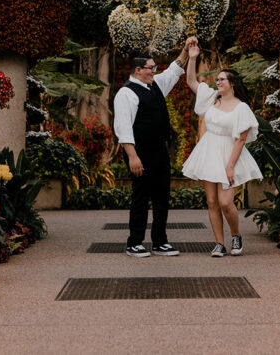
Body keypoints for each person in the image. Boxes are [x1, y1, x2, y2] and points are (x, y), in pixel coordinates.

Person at [113, 37, 197, 258]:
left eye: (154, 68)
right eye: (151, 68)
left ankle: (160, 241)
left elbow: (174, 70)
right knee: (141, 196)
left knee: (162, 196)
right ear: (138, 70)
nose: (154, 71)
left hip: (159, 151)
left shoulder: (155, 84)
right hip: (139, 153)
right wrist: (133, 157)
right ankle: (134, 242)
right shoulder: (126, 93)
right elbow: (123, 128)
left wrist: (186, 49)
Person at [180, 42, 263, 257]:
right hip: (209, 151)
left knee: (226, 202)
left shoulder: (241, 107)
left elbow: (240, 140)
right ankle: (219, 243)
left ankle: (236, 236)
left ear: (232, 83)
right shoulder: (211, 98)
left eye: (222, 79)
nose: (218, 82)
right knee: (211, 201)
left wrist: (230, 166)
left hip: (229, 153)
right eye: (217, 79)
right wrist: (192, 57)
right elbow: (191, 81)